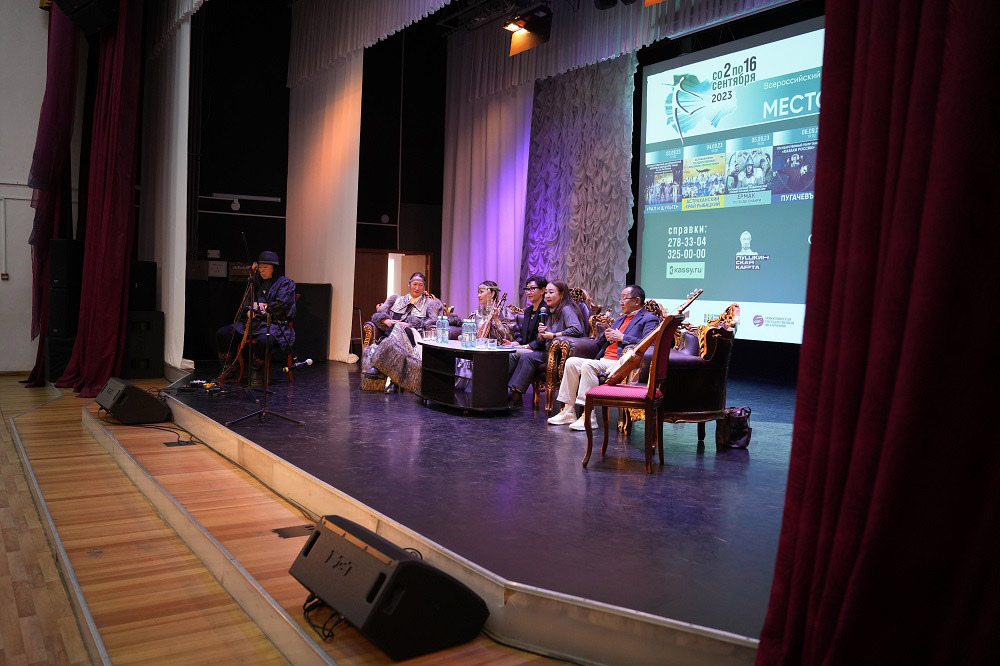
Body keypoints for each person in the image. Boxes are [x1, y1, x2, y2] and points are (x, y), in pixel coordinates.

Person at [547, 285, 660, 431]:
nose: (621, 302)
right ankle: (568, 410)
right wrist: (605, 334)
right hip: (604, 360)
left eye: (624, 298)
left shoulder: (649, 319)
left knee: (588, 366)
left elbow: (650, 343)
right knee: (571, 362)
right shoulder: (621, 319)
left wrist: (623, 337)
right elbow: (599, 343)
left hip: (621, 363)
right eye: (621, 298)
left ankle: (588, 416)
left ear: (637, 301)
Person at [216, 250, 296, 387]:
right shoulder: (255, 283)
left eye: (265, 267)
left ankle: (256, 373)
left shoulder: (285, 284)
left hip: (274, 325)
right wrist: (248, 311)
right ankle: (229, 371)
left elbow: (280, 305)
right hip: (253, 324)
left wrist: (261, 311)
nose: (262, 270)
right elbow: (246, 303)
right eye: (260, 267)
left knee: (265, 339)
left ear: (274, 268)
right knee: (223, 333)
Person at [506, 280, 584, 409]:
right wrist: (541, 334)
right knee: (523, 356)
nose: (547, 296)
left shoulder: (566, 309)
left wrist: (554, 335)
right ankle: (511, 392)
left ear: (562, 294)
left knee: (528, 357)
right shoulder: (550, 311)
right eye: (546, 292)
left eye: (551, 292)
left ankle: (516, 395)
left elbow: (576, 329)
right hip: (548, 351)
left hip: (561, 354)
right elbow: (543, 338)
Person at [365, 272, 444, 393]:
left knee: (400, 328)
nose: (417, 288)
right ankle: (395, 382)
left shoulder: (430, 303)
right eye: (414, 284)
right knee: (397, 330)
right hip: (393, 334)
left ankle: (378, 367)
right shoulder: (396, 300)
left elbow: (432, 322)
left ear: (424, 287)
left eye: (420, 285)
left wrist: (411, 324)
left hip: (414, 335)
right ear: (409, 284)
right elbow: (378, 314)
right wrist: (385, 320)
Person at [503, 275, 547, 373]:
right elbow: (523, 336)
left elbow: (542, 339)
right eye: (527, 289)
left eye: (532, 289)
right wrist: (513, 343)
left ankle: (502, 382)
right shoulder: (528, 311)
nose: (528, 292)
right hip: (526, 348)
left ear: (542, 290)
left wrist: (524, 347)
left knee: (511, 354)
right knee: (503, 351)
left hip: (538, 350)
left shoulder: (545, 310)